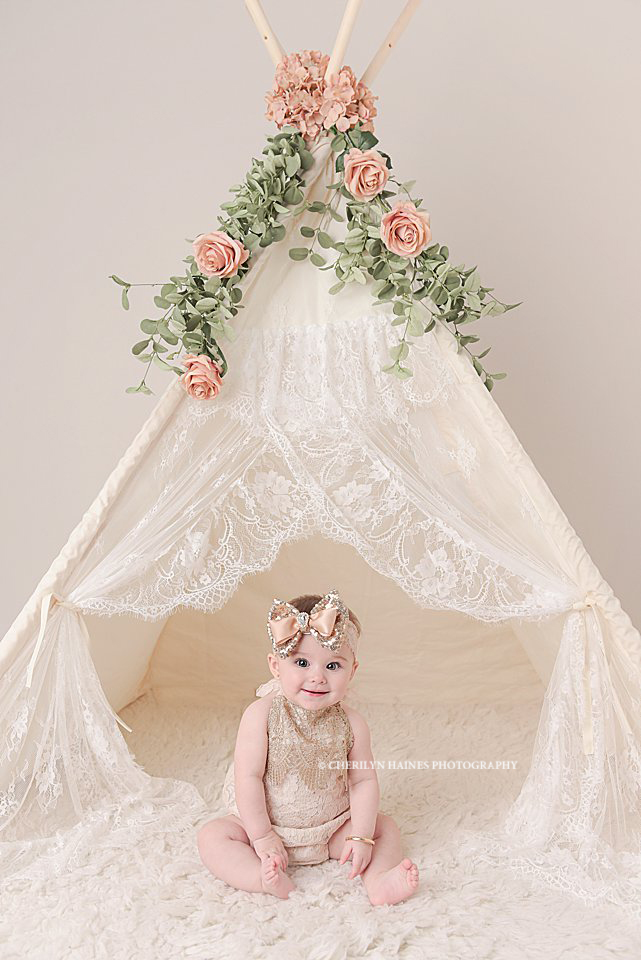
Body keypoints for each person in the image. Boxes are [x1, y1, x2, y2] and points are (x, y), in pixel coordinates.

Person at [196, 588, 420, 904]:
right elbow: (247, 777)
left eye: (333, 666)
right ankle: (261, 878)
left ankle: (379, 881)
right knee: (212, 837)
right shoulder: (260, 715)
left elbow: (363, 781)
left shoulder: (352, 724)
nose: (317, 677)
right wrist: (262, 836)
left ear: (352, 670)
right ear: (276, 665)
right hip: (263, 829)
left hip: (331, 830)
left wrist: (360, 836)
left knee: (384, 828)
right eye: (302, 662)